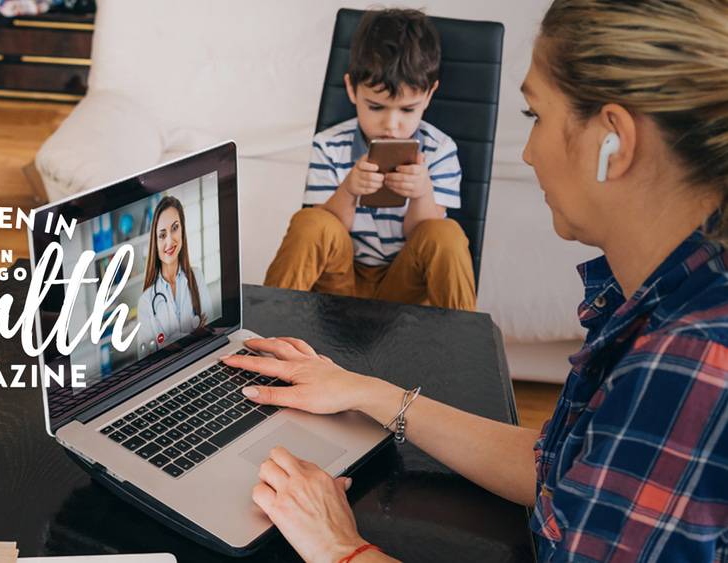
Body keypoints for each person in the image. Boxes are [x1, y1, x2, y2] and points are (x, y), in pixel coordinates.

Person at [223, 0, 728, 560]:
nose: (529, 153)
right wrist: (367, 390)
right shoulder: (662, 300)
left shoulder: (690, 361)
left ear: (614, 141)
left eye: (535, 116)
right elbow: (561, 468)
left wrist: (339, 547)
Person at [264, 8, 476, 311]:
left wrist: (422, 192)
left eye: (407, 110)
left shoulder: (440, 150)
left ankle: (465, 345)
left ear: (429, 95)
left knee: (445, 233)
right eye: (376, 107)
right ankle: (265, 332)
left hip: (404, 286)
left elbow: (425, 237)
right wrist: (350, 189)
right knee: (311, 221)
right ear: (352, 89)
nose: (391, 125)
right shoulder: (330, 146)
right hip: (340, 281)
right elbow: (328, 230)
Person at [136, 196, 212, 357]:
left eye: (175, 228)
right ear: (155, 243)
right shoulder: (146, 301)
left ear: (182, 230)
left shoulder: (197, 277)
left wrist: (171, 342)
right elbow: (146, 361)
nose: (170, 241)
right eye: (162, 235)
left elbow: (211, 334)